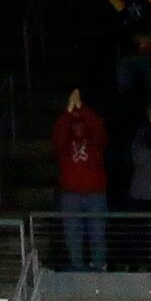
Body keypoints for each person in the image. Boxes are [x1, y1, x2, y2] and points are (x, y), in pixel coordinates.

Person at [50, 90, 109, 269]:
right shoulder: (64, 143)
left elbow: (98, 128)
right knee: (72, 235)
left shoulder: (96, 141)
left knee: (98, 233)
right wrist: (69, 111)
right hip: (71, 195)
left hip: (95, 194)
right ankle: (77, 269)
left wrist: (82, 108)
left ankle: (98, 269)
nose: (78, 127)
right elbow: (58, 135)